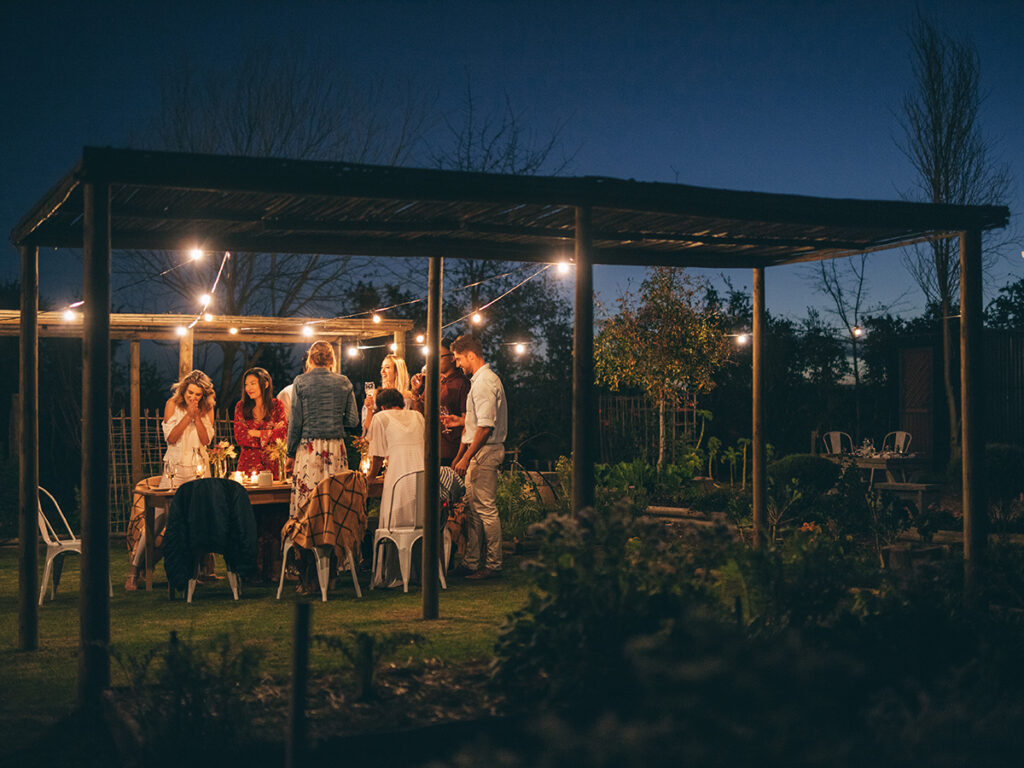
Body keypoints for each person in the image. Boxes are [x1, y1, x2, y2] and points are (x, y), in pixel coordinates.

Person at [125, 369, 216, 590]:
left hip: (198, 471)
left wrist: (198, 418)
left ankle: (194, 571)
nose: (193, 398)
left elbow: (206, 441)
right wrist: (187, 417)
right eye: (190, 393)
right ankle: (134, 572)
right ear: (183, 390)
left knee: (197, 521)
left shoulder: (208, 409)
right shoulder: (172, 405)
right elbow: (171, 437)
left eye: (197, 395)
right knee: (156, 521)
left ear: (204, 395)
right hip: (174, 470)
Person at [442, 334, 507, 580]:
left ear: (470, 355)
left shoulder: (483, 383)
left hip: (485, 453)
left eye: (459, 359)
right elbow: (478, 422)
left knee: (486, 510)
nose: (457, 364)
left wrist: (466, 457)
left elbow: (486, 427)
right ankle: (471, 562)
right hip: (481, 451)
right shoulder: (480, 381)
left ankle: (493, 564)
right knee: (475, 510)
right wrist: (461, 421)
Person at [286, 341, 360, 519]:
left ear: (310, 359)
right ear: (332, 360)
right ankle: (333, 543)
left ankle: (306, 542)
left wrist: (290, 453)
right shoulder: (343, 382)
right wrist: (334, 419)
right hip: (336, 450)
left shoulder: (300, 382)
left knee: (309, 504)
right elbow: (353, 420)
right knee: (335, 502)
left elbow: (295, 423)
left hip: (309, 449)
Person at [365, 387, 425, 588]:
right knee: (418, 523)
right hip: (420, 474)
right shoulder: (418, 416)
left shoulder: (381, 417)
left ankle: (394, 573)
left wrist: (370, 478)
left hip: (398, 474)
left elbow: (378, 455)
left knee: (395, 522)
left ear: (381, 406)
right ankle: (419, 571)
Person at [410, 340, 470, 467]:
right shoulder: (434, 382)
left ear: (453, 358)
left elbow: (468, 423)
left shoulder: (462, 384)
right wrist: (415, 392)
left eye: (439, 356)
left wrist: (460, 457)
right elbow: (420, 414)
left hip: (451, 452)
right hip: (430, 449)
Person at [233, 367, 288, 478]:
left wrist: (257, 433)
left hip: (273, 465)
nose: (248, 388)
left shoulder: (277, 406)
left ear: (266, 384)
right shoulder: (241, 407)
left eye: (252, 383)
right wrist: (271, 433)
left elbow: (282, 435)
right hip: (248, 465)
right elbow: (240, 437)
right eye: (246, 384)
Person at [363, 353, 412, 434]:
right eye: (382, 368)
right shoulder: (374, 395)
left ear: (397, 372)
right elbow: (368, 428)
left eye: (387, 367)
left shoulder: (408, 397)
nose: (382, 371)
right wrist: (369, 409)